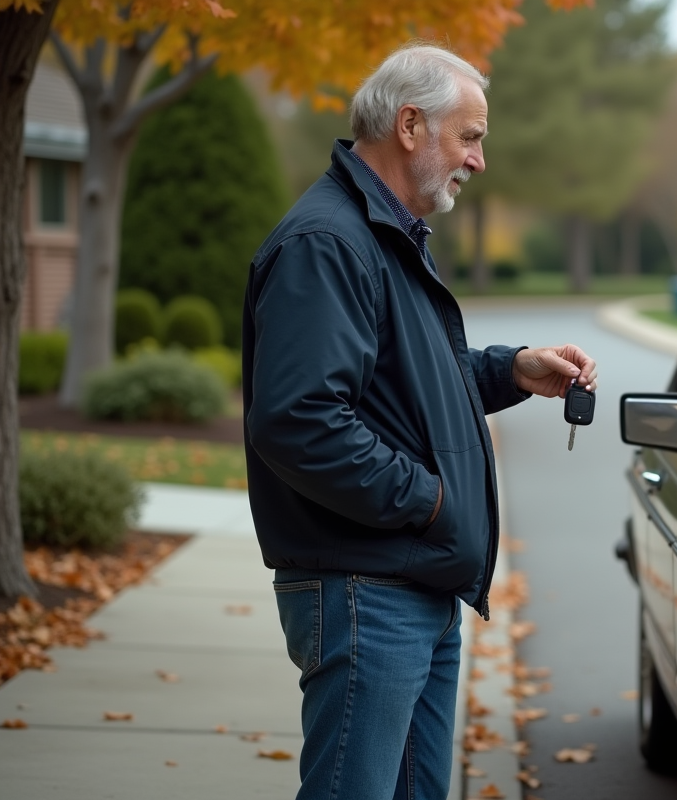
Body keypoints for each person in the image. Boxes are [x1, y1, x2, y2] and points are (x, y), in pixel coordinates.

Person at [241, 42, 598, 800]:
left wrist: (509, 369)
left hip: (413, 587)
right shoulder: (327, 244)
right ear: (410, 126)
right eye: (470, 136)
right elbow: (298, 419)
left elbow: (406, 387)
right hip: (367, 591)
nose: (479, 159)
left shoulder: (386, 237)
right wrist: (428, 502)